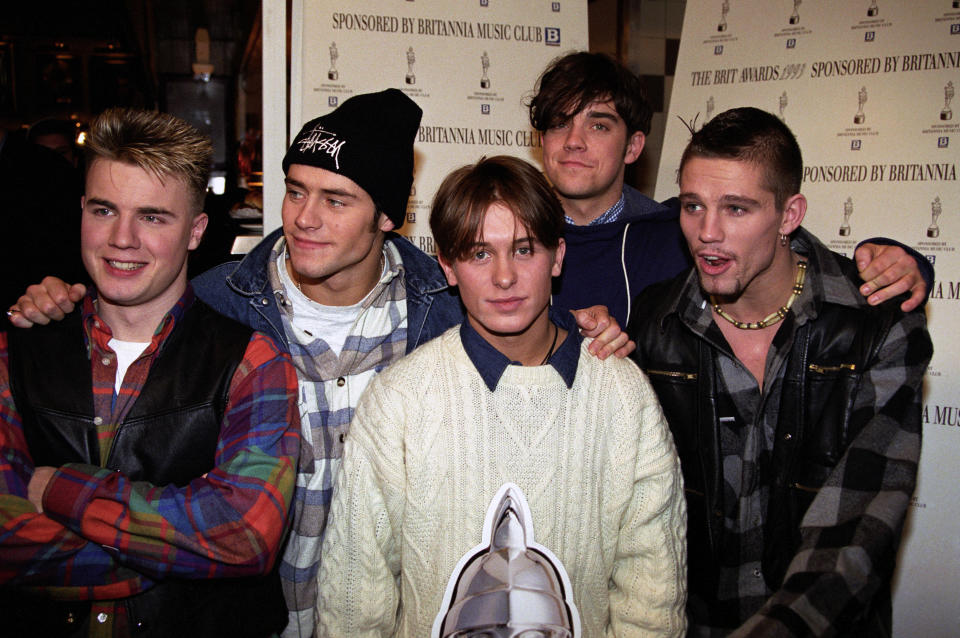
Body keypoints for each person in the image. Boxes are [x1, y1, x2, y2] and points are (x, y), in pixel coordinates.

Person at [4, 89, 633, 638]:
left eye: (336, 199)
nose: (305, 218)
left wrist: (582, 331)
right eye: (297, 191)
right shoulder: (221, 303)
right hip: (251, 619)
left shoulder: (442, 310)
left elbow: (528, 353)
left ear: (388, 216)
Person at [317, 156, 687, 637]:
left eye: (524, 249)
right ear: (447, 266)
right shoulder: (400, 401)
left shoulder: (622, 394)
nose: (505, 277)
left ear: (558, 255)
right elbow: (355, 600)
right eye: (479, 254)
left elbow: (651, 599)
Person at [627, 107, 932, 637]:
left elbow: (858, 525)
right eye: (693, 206)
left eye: (737, 209)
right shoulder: (655, 325)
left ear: (790, 214)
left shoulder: (876, 328)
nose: (708, 233)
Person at [0, 108, 300, 637]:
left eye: (153, 217)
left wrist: (57, 490)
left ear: (195, 230)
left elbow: (245, 537)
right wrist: (176, 553)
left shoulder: (253, 363)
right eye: (104, 210)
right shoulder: (16, 348)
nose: (122, 238)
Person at [528, 51, 933, 327]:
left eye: (598, 125)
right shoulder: (507, 240)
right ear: (542, 139)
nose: (574, 141)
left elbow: (783, 247)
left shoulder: (678, 228)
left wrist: (902, 263)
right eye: (559, 123)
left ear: (633, 145)